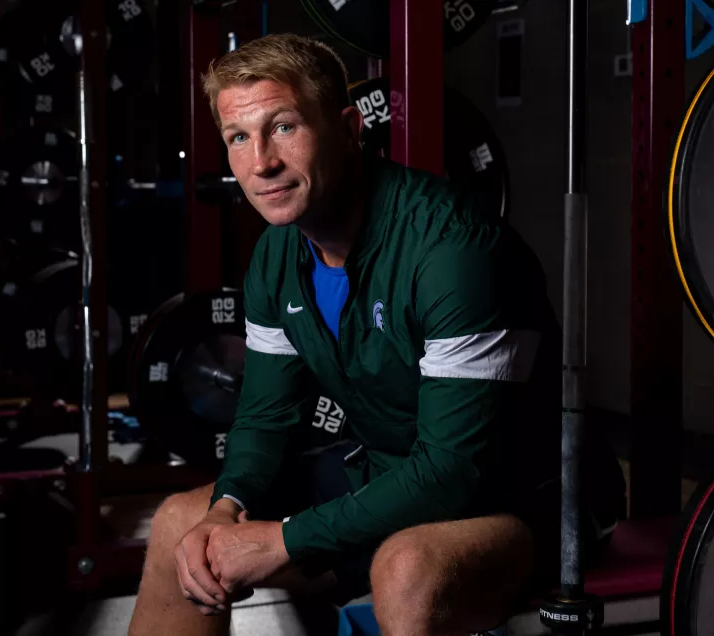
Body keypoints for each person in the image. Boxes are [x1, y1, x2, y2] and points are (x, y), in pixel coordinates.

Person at [128, 33, 626, 636]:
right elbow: (263, 419)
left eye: (283, 127)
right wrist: (227, 509)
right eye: (239, 138)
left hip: (523, 501)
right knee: (185, 523)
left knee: (407, 568)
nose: (261, 162)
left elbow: (451, 472)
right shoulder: (276, 255)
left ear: (348, 127)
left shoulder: (454, 248)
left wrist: (284, 539)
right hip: (389, 477)